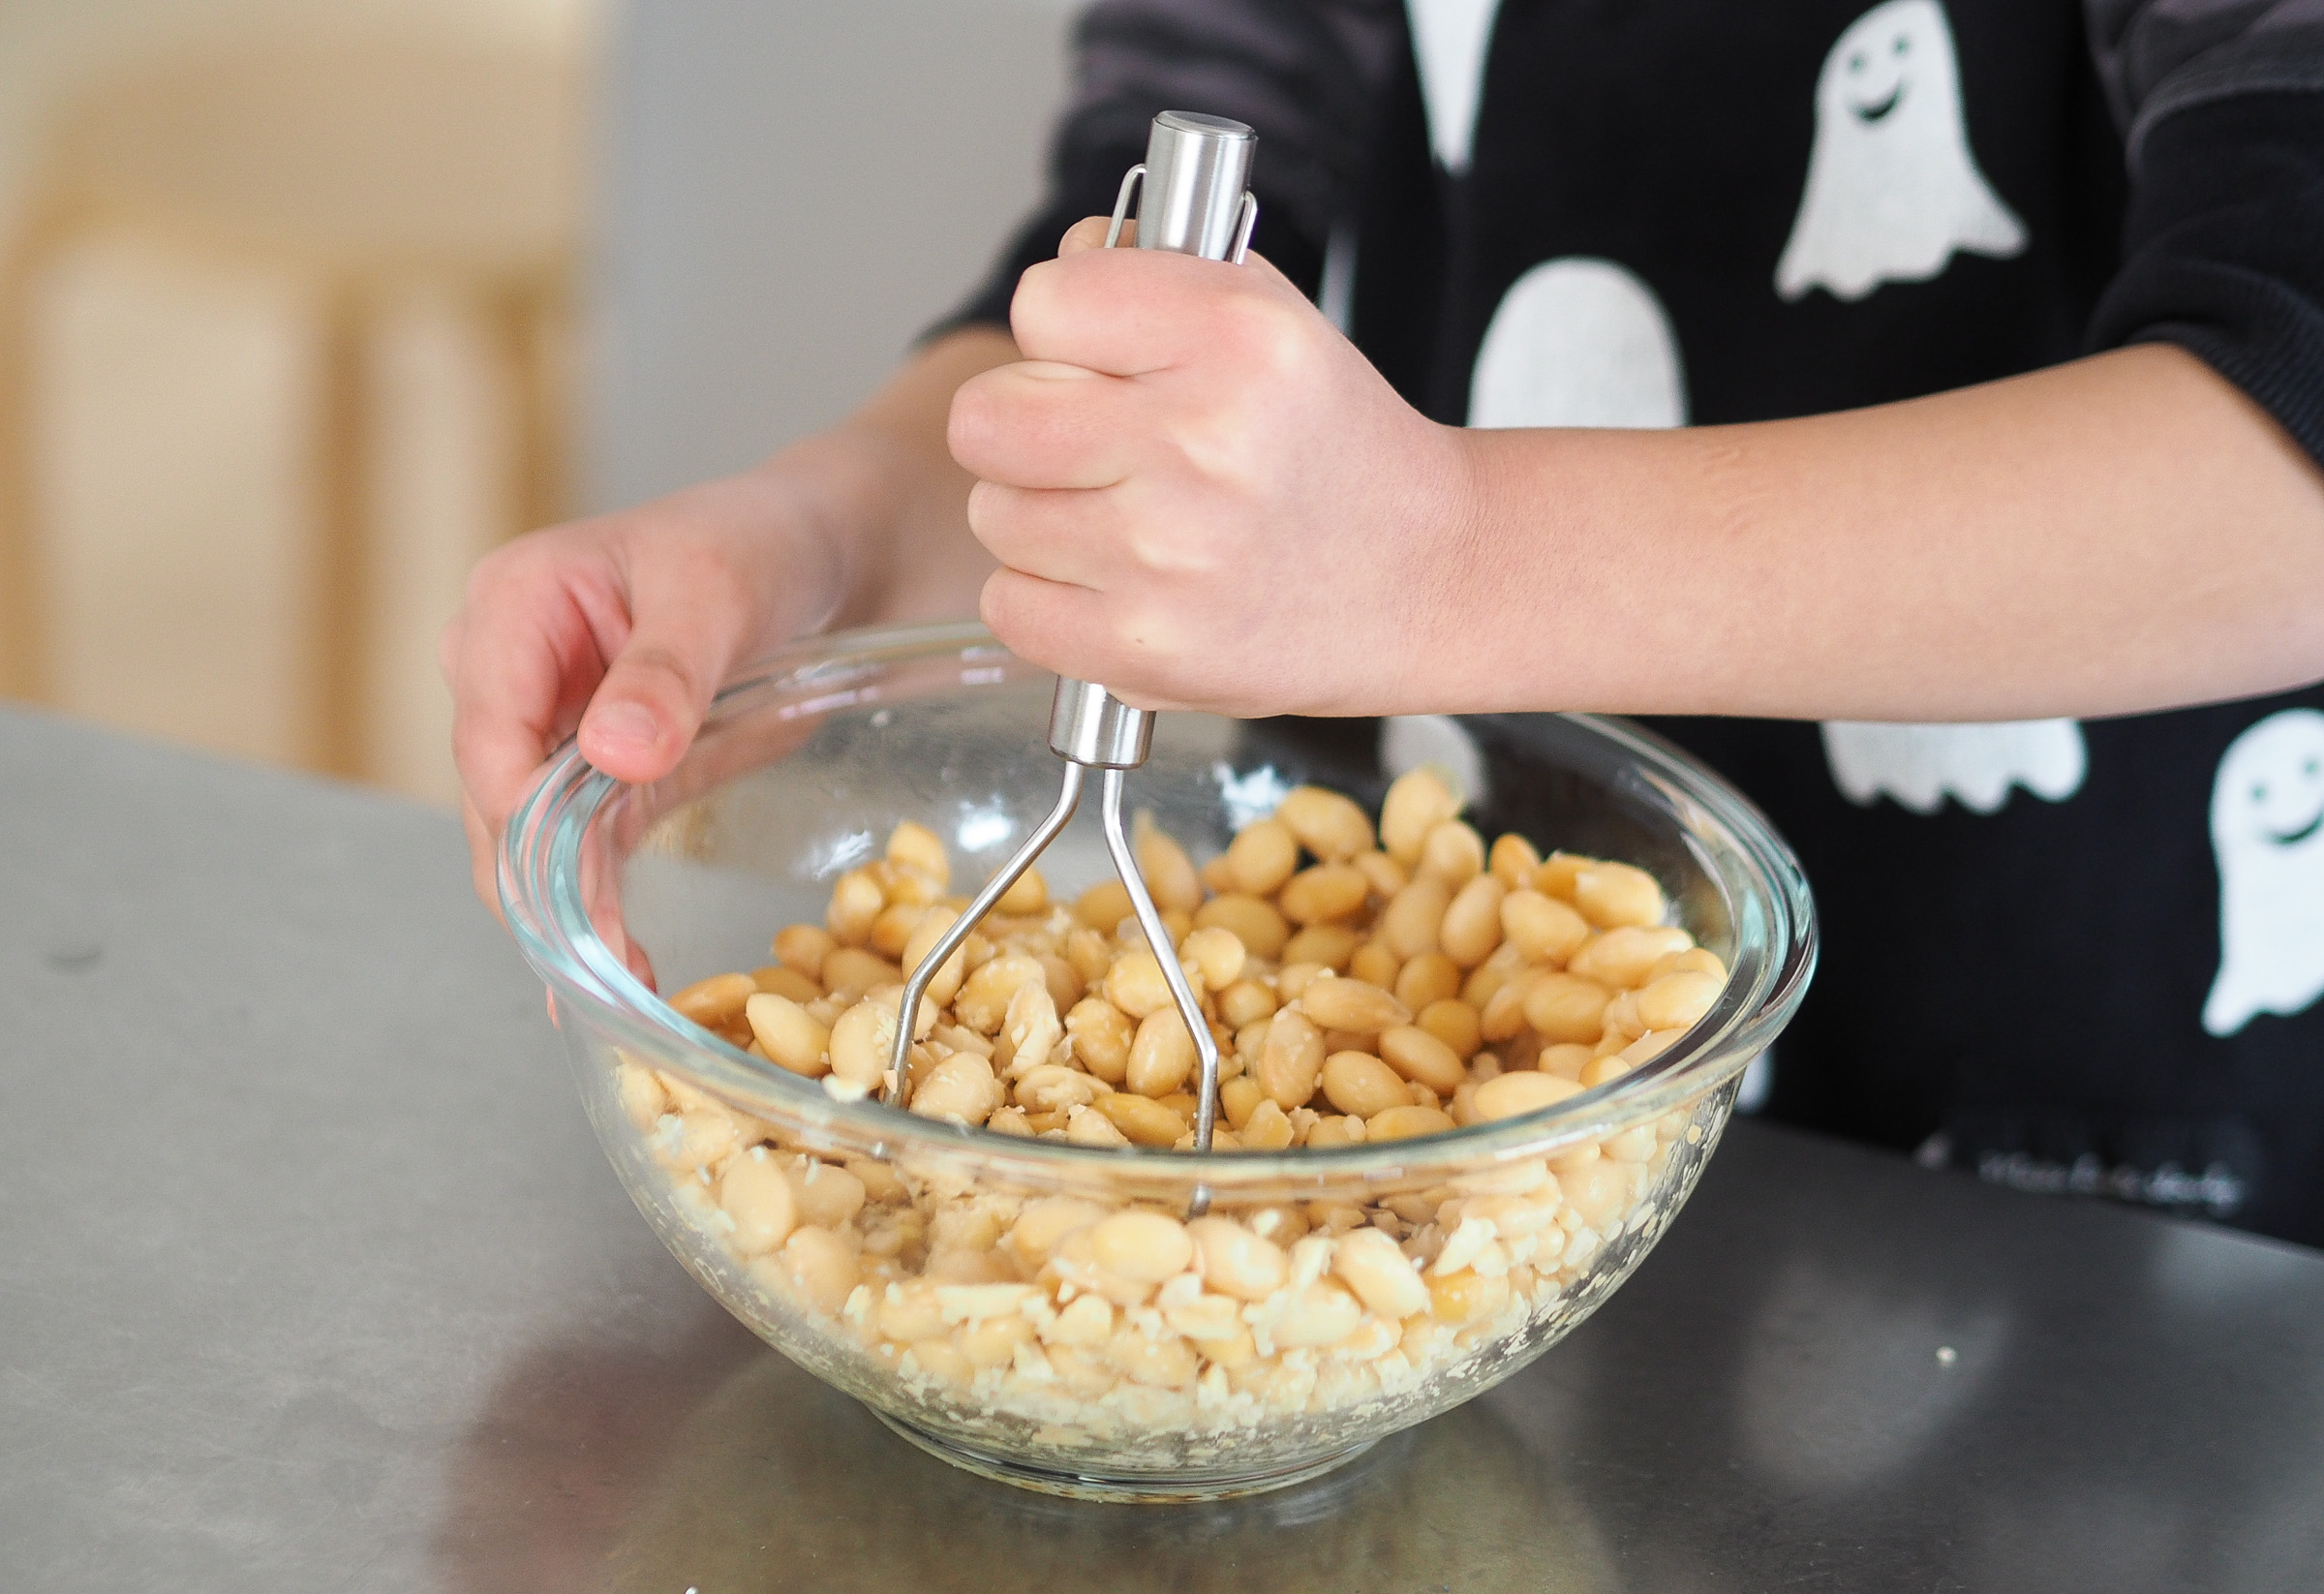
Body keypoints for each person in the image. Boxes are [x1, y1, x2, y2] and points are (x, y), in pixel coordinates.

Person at [442, 1, 2324, 1243]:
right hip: (1455, 1124)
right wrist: (822, 538)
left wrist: (1440, 559)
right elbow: (1187, 220)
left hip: (2110, 1187)